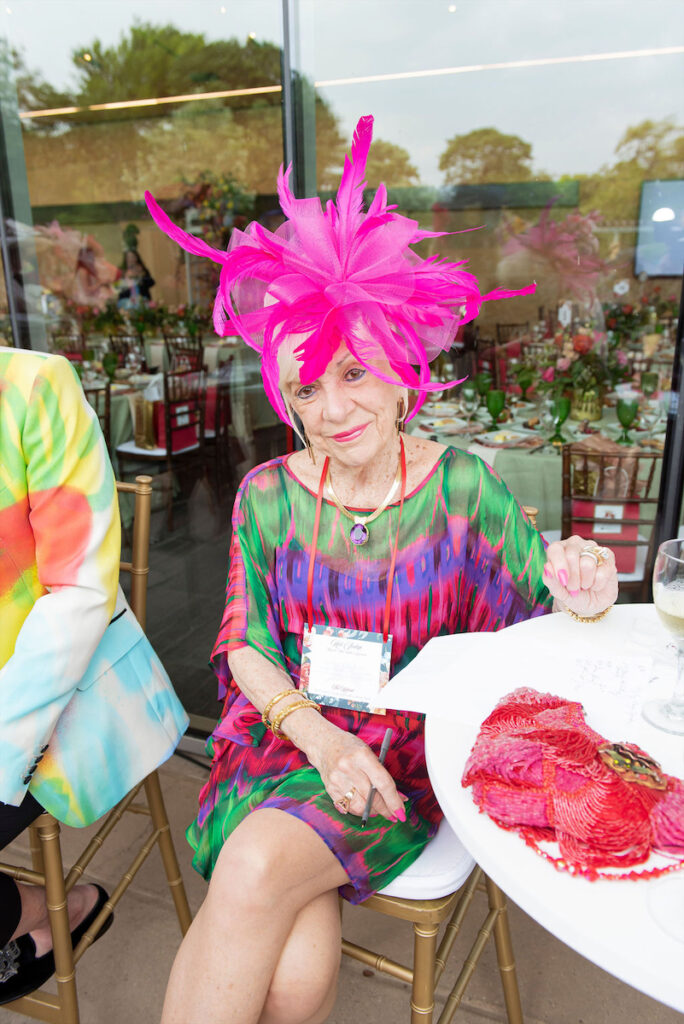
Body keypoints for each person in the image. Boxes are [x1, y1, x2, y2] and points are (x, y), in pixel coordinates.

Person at [145, 115, 619, 1024]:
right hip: (284, 734)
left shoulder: (462, 489)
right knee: (288, 971)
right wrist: (323, 742)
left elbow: (551, 609)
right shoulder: (266, 495)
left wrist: (585, 585)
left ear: (402, 371)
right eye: (308, 387)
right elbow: (244, 646)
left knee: (256, 870)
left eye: (354, 373)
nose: (334, 409)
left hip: (407, 751)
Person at [0, 348, 189, 1003]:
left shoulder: (32, 385)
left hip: (41, 704)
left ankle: (58, 909)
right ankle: (36, 915)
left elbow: (78, 593)